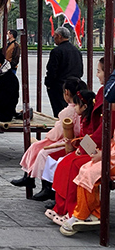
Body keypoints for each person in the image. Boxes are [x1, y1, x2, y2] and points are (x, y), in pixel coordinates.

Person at [11, 77, 84, 196]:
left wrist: (49, 136)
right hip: (68, 138)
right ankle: (28, 176)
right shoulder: (74, 109)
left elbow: (58, 133)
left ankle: (47, 185)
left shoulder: (70, 110)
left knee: (43, 153)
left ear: (66, 93)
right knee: (36, 147)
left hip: (70, 141)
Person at [47, 89, 97, 225]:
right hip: (84, 151)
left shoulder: (93, 119)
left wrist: (80, 147)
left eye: (76, 105)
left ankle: (71, 209)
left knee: (72, 166)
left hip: (93, 153)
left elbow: (94, 140)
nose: (74, 108)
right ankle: (60, 207)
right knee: (63, 164)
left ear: (84, 106)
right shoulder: (84, 118)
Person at [45, 27, 83, 117]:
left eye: (54, 37)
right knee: (72, 110)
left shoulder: (57, 51)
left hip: (59, 86)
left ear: (59, 36)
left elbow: (52, 70)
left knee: (59, 111)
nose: (54, 39)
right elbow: (80, 70)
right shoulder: (76, 51)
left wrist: (48, 83)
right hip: (74, 85)